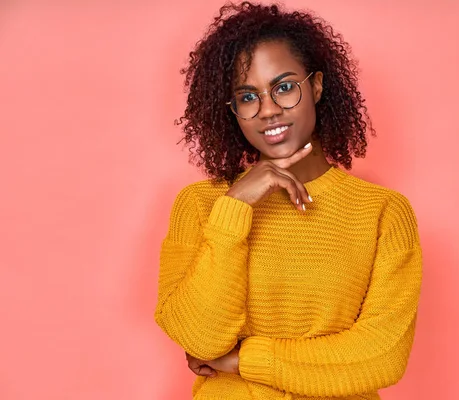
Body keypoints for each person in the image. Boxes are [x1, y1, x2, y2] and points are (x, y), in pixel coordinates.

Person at [154, 2, 423, 399]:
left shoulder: (383, 212)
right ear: (232, 111)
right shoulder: (200, 204)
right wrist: (235, 205)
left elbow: (381, 356)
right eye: (247, 97)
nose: (267, 110)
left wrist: (243, 361)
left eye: (283, 87)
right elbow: (201, 338)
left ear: (314, 86)